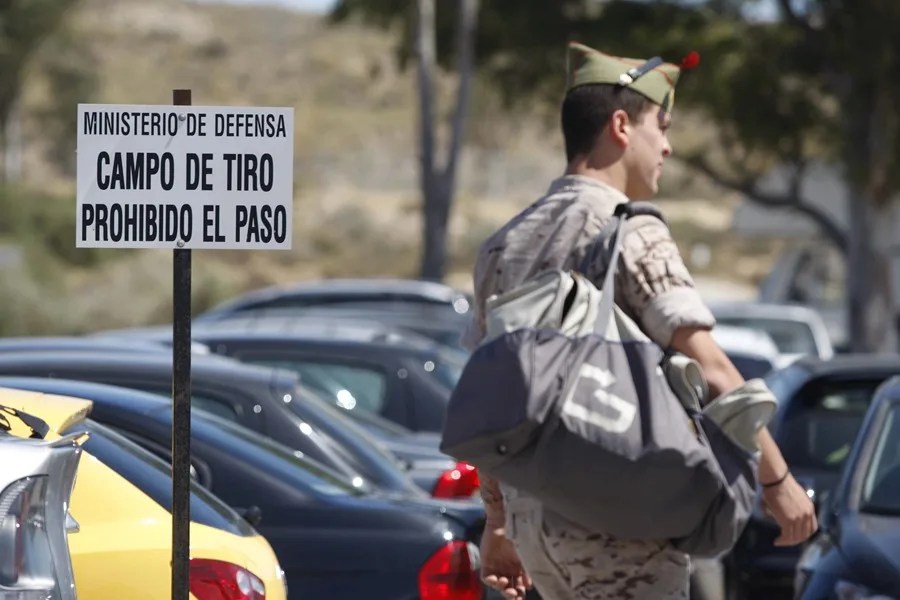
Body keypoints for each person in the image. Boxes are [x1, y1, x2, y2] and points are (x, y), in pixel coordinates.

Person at [460, 41, 817, 599]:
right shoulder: (632, 231)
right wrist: (778, 481)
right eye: (662, 126)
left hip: (538, 528)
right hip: (615, 516)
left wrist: (500, 522)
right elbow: (713, 368)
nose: (668, 147)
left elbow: (493, 401)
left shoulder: (504, 245)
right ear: (621, 126)